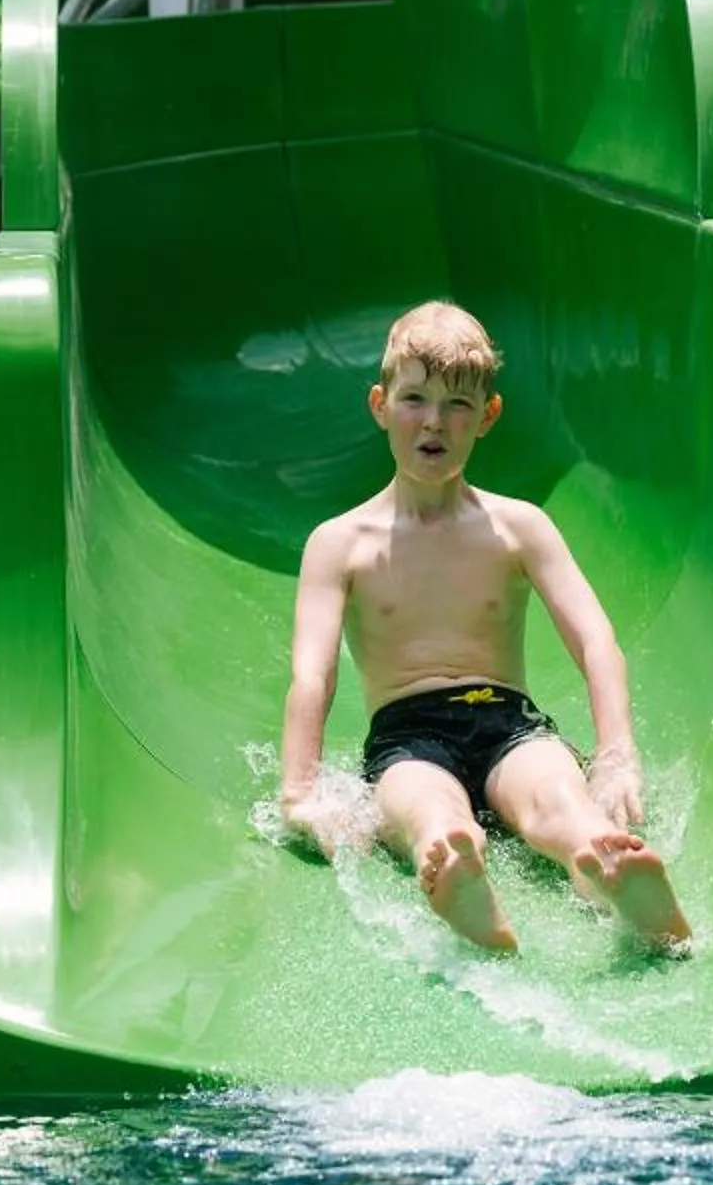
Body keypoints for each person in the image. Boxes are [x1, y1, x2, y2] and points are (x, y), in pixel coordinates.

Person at [275, 300, 691, 955]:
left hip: (510, 722)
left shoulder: (518, 527)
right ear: (380, 404)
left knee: (559, 798)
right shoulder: (339, 544)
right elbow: (313, 673)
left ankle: (606, 864)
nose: (434, 421)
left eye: (458, 405)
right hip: (406, 739)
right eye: (415, 399)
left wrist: (615, 755)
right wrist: (300, 788)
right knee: (428, 810)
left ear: (488, 416)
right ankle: (454, 862)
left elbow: (595, 639)